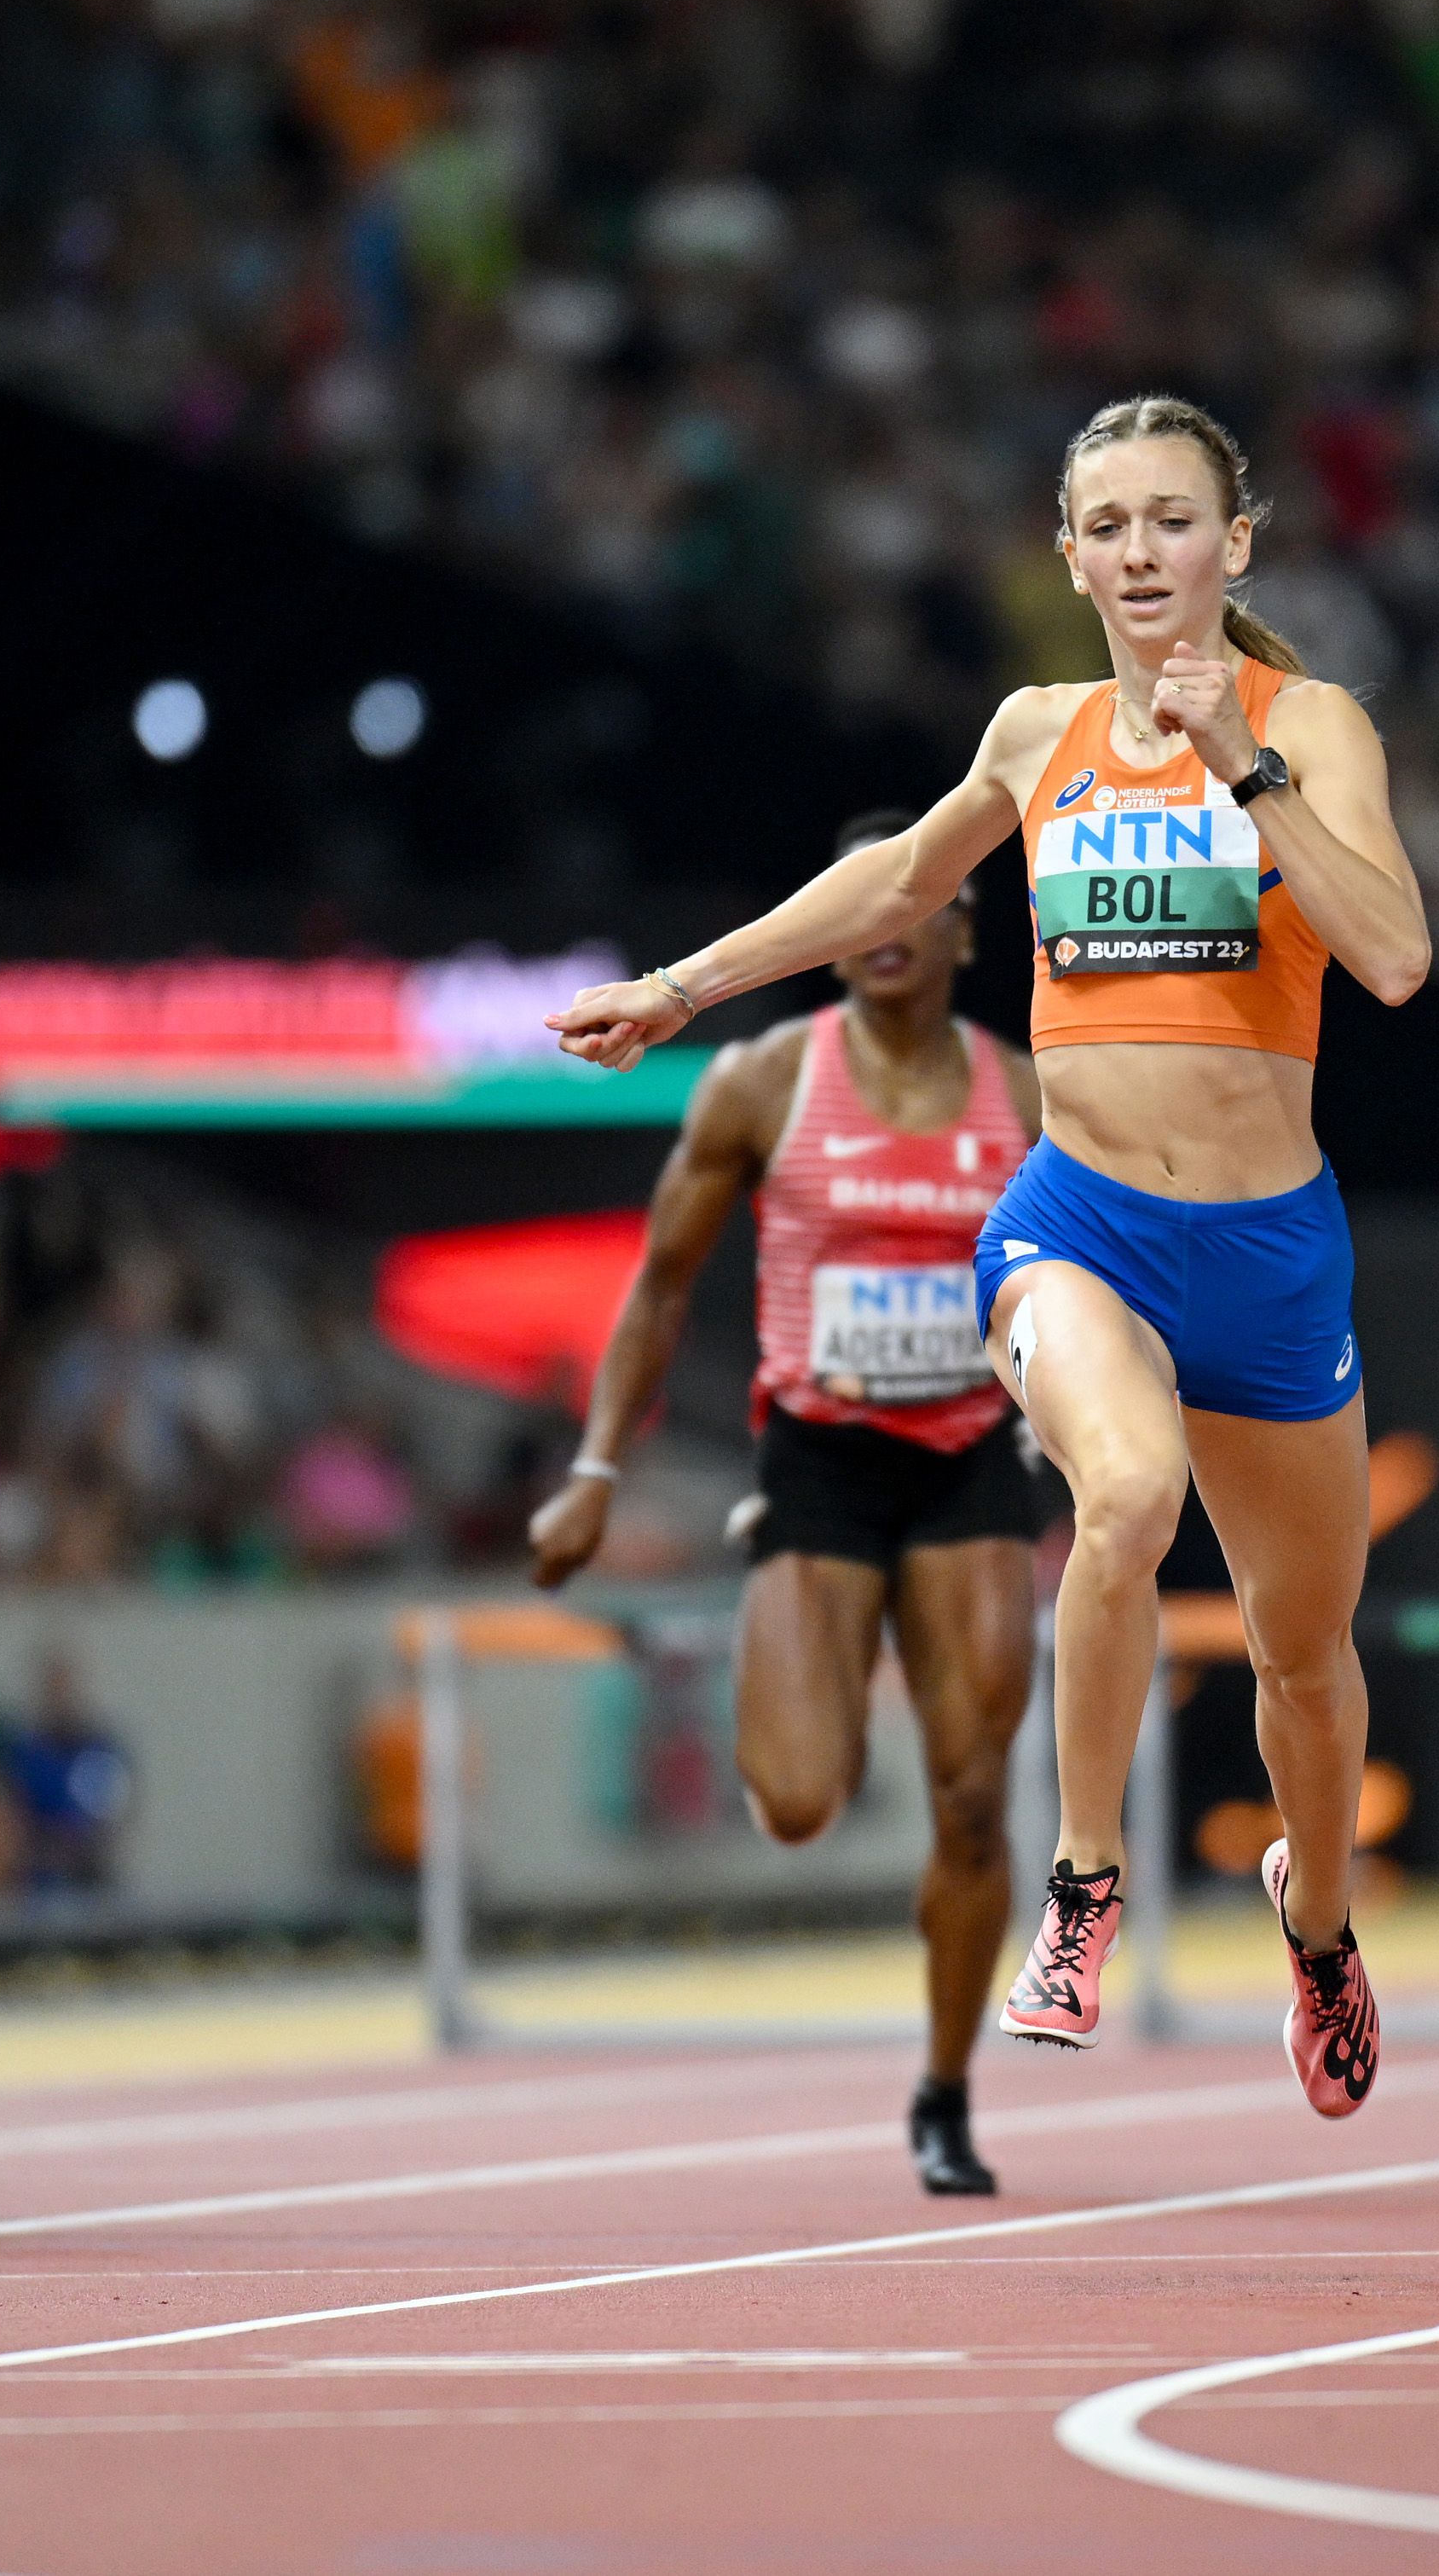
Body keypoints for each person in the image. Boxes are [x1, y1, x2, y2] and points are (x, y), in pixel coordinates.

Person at [552, 397, 1431, 2119]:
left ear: (1233, 547)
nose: (1141, 555)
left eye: (1173, 522)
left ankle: (1315, 1930)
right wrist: (682, 986)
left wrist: (1241, 769)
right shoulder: (1038, 734)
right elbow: (893, 879)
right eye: (1107, 526)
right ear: (1069, 557)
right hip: (1080, 1222)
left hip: (1268, 1250)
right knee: (1124, 1498)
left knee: (1305, 1665)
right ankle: (1087, 1878)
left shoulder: (1310, 725)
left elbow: (1394, 956)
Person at [529, 815, 1043, 2192]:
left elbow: (1104, 1280)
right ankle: (814, 1661)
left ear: (960, 931)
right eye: (851, 906)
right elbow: (657, 1286)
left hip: (968, 1462)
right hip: (817, 1466)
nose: (879, 928)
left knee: (976, 1796)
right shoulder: (762, 1083)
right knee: (803, 1801)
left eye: (911, 903)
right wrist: (592, 1472)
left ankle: (942, 2094)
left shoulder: (1028, 1098)